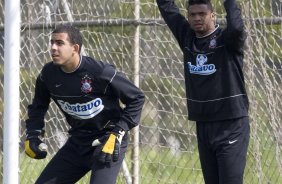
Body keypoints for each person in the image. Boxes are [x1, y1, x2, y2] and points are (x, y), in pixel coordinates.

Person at [24, 24, 145, 184]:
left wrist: (118, 133)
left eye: (59, 43)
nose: (53, 48)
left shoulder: (100, 72)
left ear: (75, 48)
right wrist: (33, 133)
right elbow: (38, 106)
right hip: (77, 142)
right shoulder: (48, 74)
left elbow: (137, 98)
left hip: (107, 140)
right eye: (51, 42)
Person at [156, 0, 250, 183]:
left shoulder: (227, 40)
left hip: (231, 124)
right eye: (192, 14)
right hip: (204, 125)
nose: (197, 18)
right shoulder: (187, 39)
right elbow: (167, 8)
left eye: (202, 14)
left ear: (213, 15)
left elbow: (237, 28)